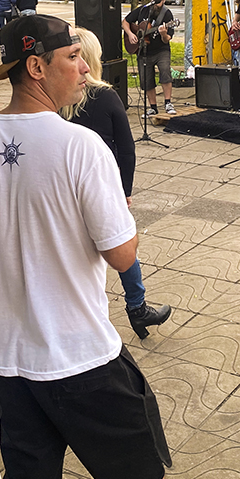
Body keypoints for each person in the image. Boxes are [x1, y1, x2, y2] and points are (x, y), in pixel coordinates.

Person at [0, 14, 170, 479]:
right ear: (37, 66)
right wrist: (124, 221)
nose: (86, 68)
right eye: (74, 57)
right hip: (79, 352)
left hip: (6, 356)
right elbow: (122, 255)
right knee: (142, 462)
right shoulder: (81, 147)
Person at [62, 28, 171, 339]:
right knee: (124, 247)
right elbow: (127, 148)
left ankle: (82, 313)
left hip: (68, 188)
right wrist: (125, 191)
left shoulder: (58, 100)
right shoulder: (106, 95)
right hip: (104, 187)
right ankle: (137, 308)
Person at [123, 0, 176, 117]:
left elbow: (167, 38)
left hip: (161, 49)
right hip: (143, 50)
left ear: (163, 0)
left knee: (165, 71)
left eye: (158, 0)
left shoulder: (167, 14)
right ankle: (153, 107)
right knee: (146, 78)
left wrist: (163, 33)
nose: (155, 2)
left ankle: (168, 103)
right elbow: (125, 21)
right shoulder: (143, 10)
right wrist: (130, 34)